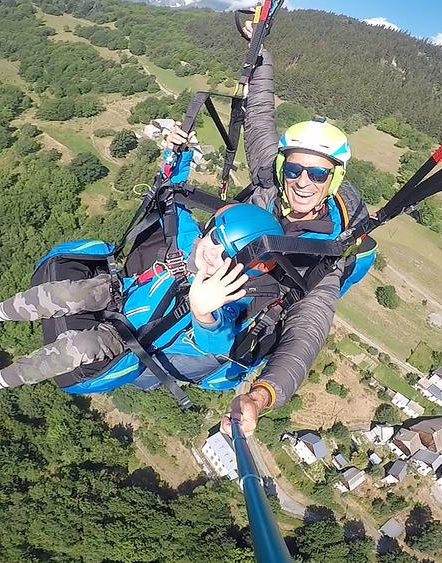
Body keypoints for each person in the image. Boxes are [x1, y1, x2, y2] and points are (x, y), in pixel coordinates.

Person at [173, 17, 375, 437]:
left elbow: (308, 331)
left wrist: (262, 395)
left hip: (256, 292)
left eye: (318, 175)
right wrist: (261, 54)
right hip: (225, 257)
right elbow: (260, 116)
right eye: (296, 169)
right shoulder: (271, 175)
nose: (303, 181)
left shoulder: (326, 252)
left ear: (333, 180)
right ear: (285, 166)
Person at [0, 203, 282, 415]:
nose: (213, 254)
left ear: (241, 269)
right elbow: (171, 201)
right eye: (216, 239)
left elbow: (218, 343)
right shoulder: (191, 239)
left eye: (227, 255)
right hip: (115, 292)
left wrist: (203, 313)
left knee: (76, 350)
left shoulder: (226, 298)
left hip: (124, 340)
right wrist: (178, 153)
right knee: (63, 294)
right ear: (211, 228)